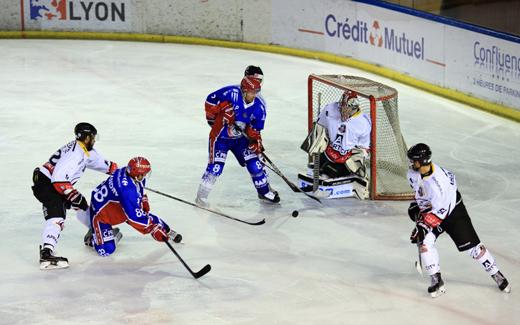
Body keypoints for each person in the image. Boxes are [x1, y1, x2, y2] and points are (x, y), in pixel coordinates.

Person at [407, 143, 511, 298]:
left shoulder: (438, 184)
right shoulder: (413, 173)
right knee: (425, 243)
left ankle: (496, 274)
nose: (411, 164)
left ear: (422, 161)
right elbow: (421, 194)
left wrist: (422, 226)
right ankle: (436, 279)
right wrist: (417, 206)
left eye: (414, 161)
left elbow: (441, 211)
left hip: (454, 212)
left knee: (474, 249)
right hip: (435, 210)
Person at [32, 122, 118, 270]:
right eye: (92, 137)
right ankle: (46, 254)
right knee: (57, 217)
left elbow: (105, 165)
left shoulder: (84, 150)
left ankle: (96, 233)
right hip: (47, 184)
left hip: (54, 182)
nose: (94, 140)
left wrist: (125, 177)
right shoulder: (75, 154)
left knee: (82, 205)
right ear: (86, 138)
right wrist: (72, 194)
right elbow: (58, 179)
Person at [196, 71, 279, 206]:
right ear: (244, 90)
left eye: (256, 92)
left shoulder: (259, 106)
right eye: (251, 92)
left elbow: (255, 130)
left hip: (240, 140)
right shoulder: (230, 93)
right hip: (220, 139)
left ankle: (263, 192)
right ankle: (201, 197)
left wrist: (255, 142)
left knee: (256, 165)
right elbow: (209, 101)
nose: (254, 95)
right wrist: (217, 116)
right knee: (216, 168)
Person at [84, 157, 182, 256]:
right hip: (101, 215)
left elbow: (139, 187)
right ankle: (93, 237)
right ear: (136, 174)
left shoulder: (128, 172)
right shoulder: (126, 190)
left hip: (119, 205)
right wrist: (153, 229)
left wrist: (143, 198)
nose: (145, 176)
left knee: (145, 216)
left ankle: (168, 231)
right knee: (105, 251)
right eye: (143, 174)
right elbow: (134, 217)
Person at [299, 91, 371, 199]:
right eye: (341, 108)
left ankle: (356, 176)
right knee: (320, 171)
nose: (343, 111)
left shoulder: (364, 123)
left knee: (328, 173)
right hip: (328, 153)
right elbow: (319, 127)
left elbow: (364, 148)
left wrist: (354, 161)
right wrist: (317, 143)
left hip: (346, 160)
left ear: (354, 108)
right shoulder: (330, 109)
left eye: (346, 109)